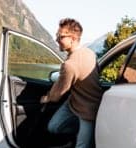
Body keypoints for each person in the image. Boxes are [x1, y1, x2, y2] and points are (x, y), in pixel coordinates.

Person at [40, 18, 103, 148]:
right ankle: (75, 136)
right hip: (74, 102)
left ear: (73, 38)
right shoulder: (90, 53)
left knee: (81, 145)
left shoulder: (69, 65)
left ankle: (76, 138)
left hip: (89, 110)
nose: (57, 39)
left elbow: (57, 94)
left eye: (60, 36)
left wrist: (46, 98)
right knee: (54, 127)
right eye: (57, 36)